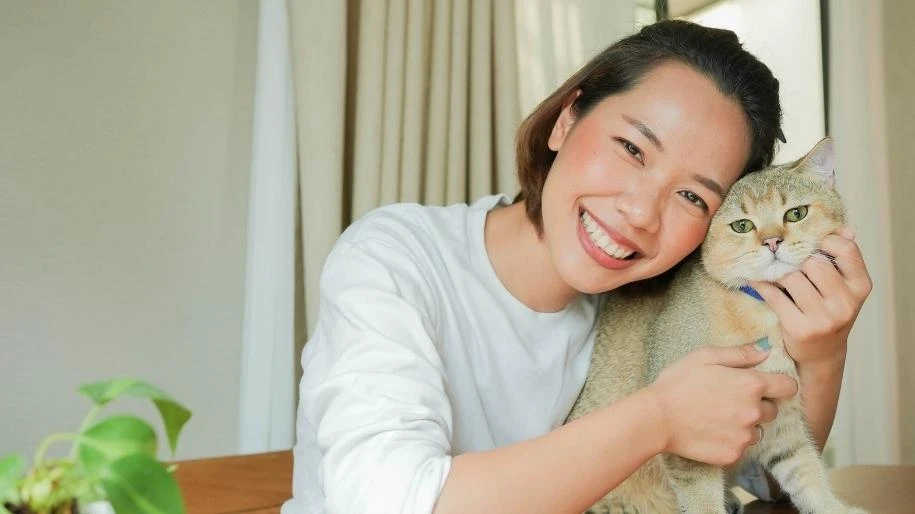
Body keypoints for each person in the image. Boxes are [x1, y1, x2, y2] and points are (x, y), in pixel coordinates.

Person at [281, 20, 873, 514]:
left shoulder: (654, 302)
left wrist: (823, 354)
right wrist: (659, 416)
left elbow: (766, 482)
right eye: (632, 149)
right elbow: (387, 501)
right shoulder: (392, 259)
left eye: (692, 197)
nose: (640, 213)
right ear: (567, 119)